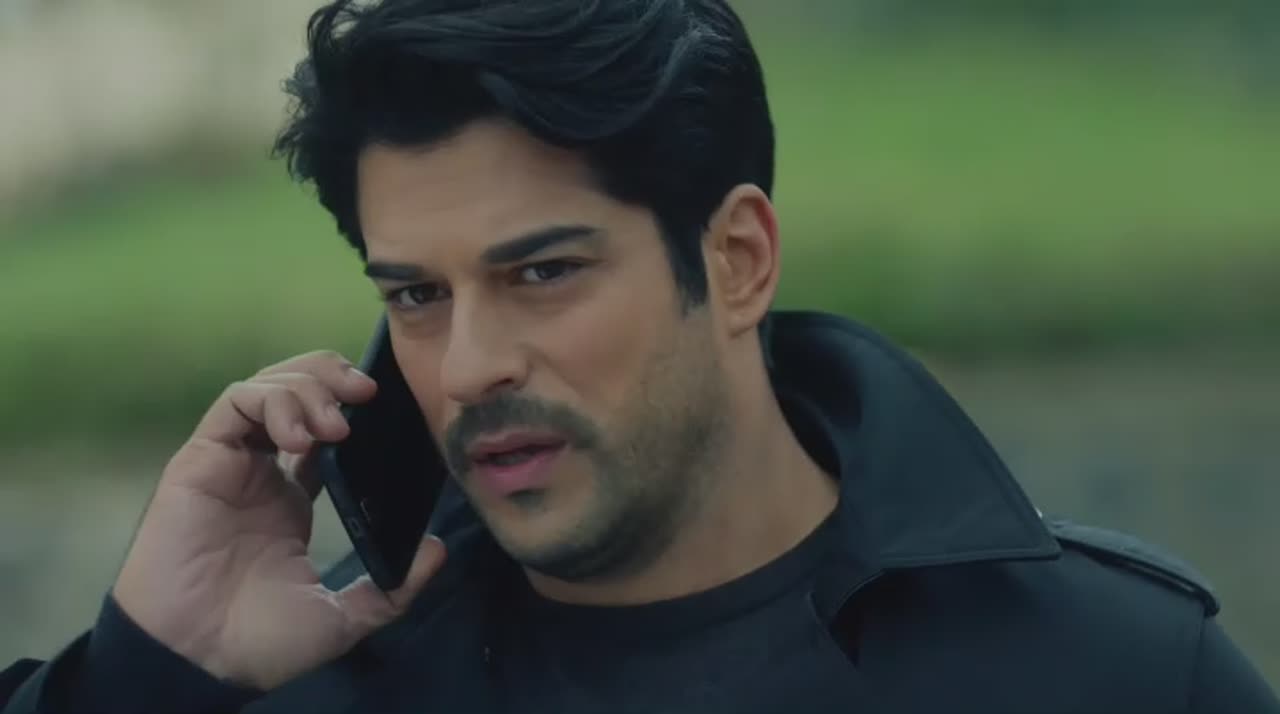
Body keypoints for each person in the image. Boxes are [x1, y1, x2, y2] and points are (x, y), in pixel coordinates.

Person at [3, 1, 1277, 712]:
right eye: (416, 294)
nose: (466, 368)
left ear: (735, 259)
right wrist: (138, 676)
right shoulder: (303, 682)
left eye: (541, 273)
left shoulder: (1105, 671)